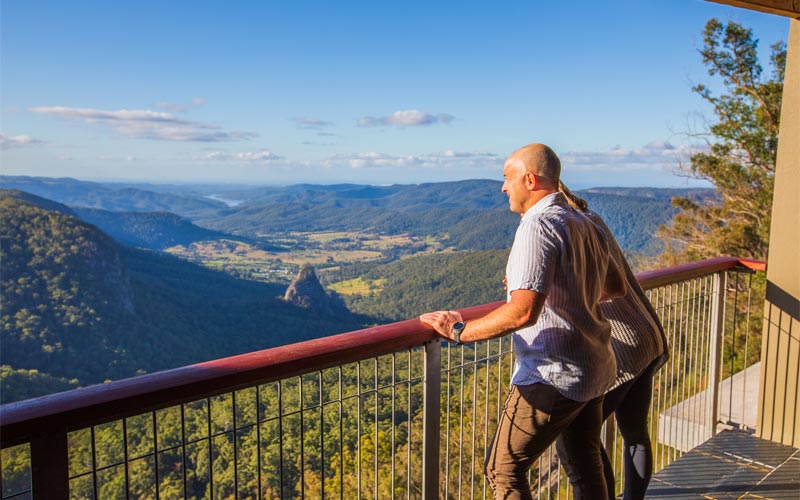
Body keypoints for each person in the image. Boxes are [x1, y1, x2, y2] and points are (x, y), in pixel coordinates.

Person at [419, 143, 625, 500]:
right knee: (585, 464)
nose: (503, 188)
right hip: (595, 365)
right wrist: (558, 289)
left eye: (507, 178)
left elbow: (522, 312)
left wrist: (458, 331)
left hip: (553, 373)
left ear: (530, 180)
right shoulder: (581, 220)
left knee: (503, 471)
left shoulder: (537, 226)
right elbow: (614, 286)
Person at [556, 182, 669, 500]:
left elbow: (593, 288)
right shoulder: (587, 215)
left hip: (624, 344)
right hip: (645, 333)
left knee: (577, 435)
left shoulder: (565, 226)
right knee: (634, 430)